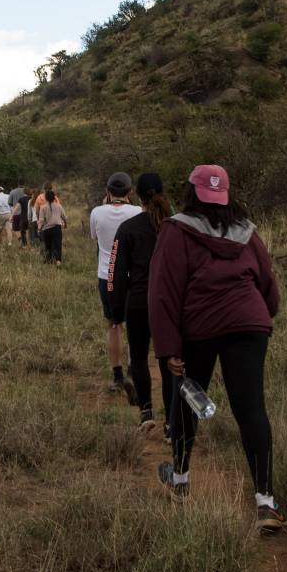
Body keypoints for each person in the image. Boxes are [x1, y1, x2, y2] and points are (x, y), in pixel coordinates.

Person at [148, 164, 285, 535]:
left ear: (191, 193)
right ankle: (266, 502)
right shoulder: (247, 231)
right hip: (249, 325)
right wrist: (262, 315)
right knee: (251, 408)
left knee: (190, 396)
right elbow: (267, 281)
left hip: (201, 328)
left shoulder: (176, 230)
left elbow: (164, 291)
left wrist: (168, 348)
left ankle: (179, 477)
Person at [107, 171, 171, 433]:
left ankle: (146, 411)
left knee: (140, 358)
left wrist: (115, 310)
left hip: (138, 303)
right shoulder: (175, 227)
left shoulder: (128, 228)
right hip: (168, 302)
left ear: (138, 196)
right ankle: (172, 422)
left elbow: (116, 273)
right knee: (169, 361)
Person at [89, 172, 141, 400]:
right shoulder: (138, 212)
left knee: (114, 325)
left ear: (108, 192)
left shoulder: (97, 212)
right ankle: (133, 371)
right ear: (130, 192)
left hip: (107, 274)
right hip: (133, 275)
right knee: (135, 326)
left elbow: (95, 239)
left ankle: (117, 377)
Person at [38, 188, 66, 265]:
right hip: (57, 228)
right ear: (54, 197)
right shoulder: (58, 206)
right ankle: (58, 261)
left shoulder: (42, 207)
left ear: (46, 198)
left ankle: (49, 261)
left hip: (47, 229)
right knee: (58, 245)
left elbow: (41, 220)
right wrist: (65, 224)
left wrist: (39, 228)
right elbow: (64, 216)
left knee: (48, 246)